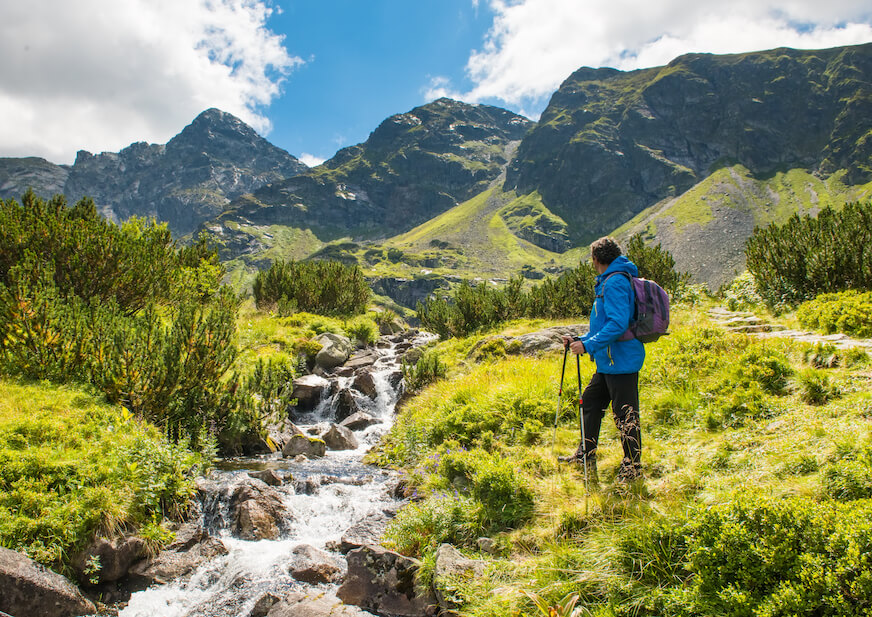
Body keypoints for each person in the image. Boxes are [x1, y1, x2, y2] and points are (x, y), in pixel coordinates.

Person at [561, 236, 645, 483]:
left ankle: (632, 468)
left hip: (621, 361)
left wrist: (587, 345)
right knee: (590, 402)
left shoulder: (616, 282)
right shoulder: (610, 281)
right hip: (608, 360)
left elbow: (618, 324)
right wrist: (580, 338)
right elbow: (605, 326)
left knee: (625, 415)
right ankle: (585, 453)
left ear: (596, 259)